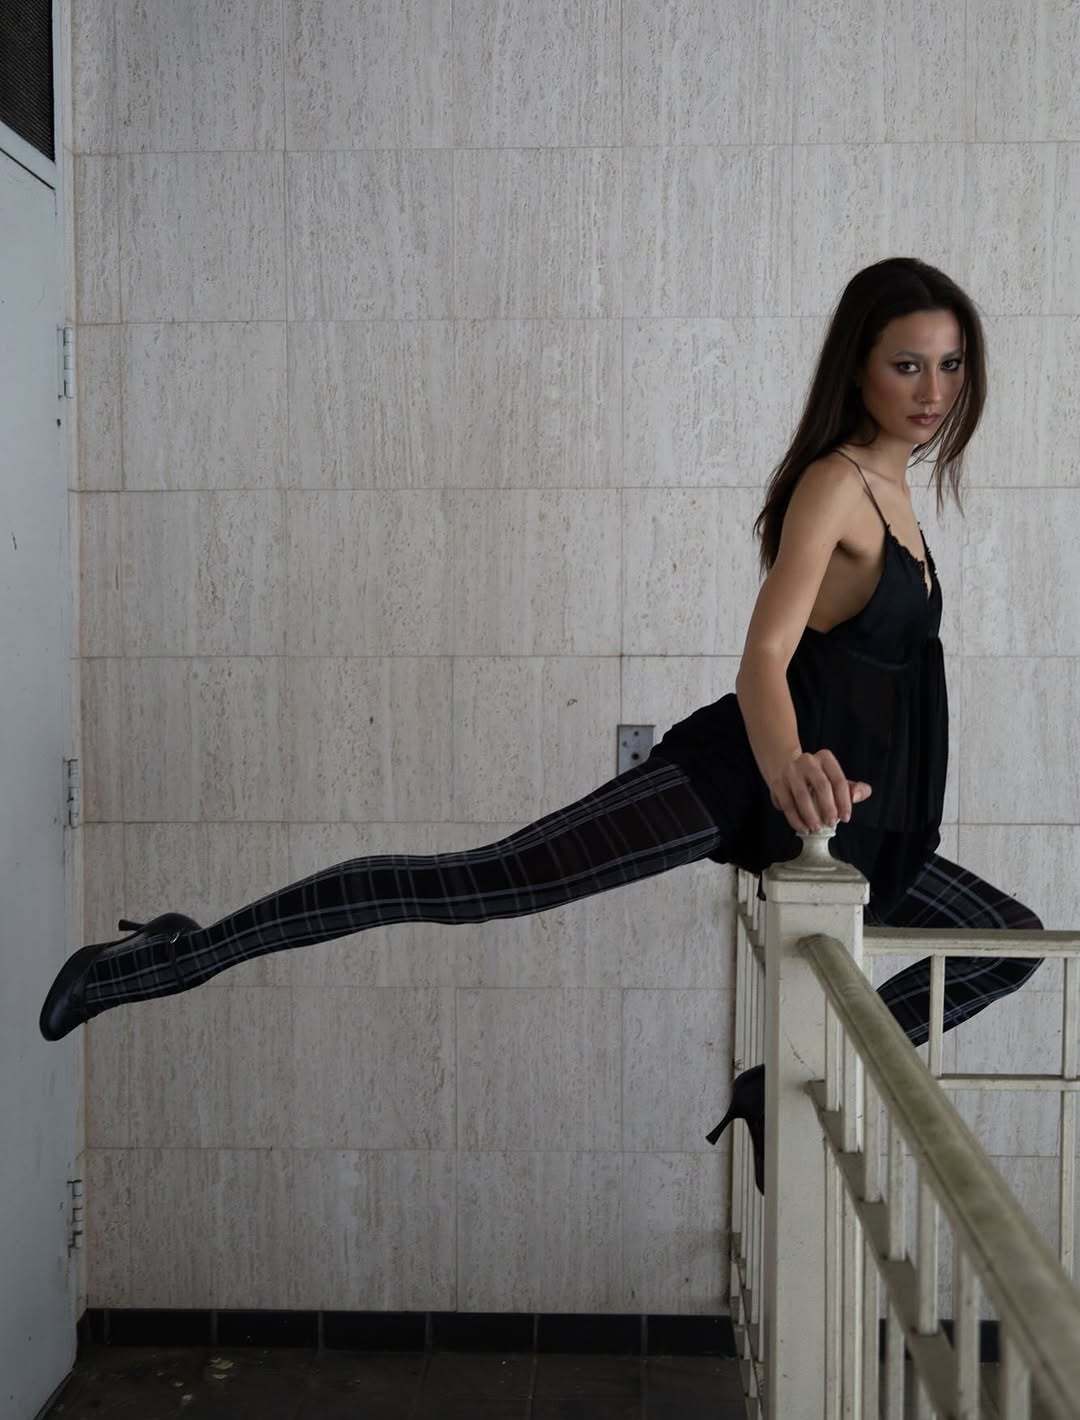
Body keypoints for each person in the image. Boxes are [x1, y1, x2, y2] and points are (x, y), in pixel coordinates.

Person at [39, 257, 1044, 1191]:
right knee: (477, 881)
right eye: (907, 364)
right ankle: (171, 956)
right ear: (859, 368)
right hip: (740, 778)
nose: (933, 390)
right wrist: (787, 767)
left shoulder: (899, 490)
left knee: (1006, 942)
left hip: (842, 820)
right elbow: (764, 658)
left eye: (951, 364)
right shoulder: (839, 483)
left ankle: (778, 1085)